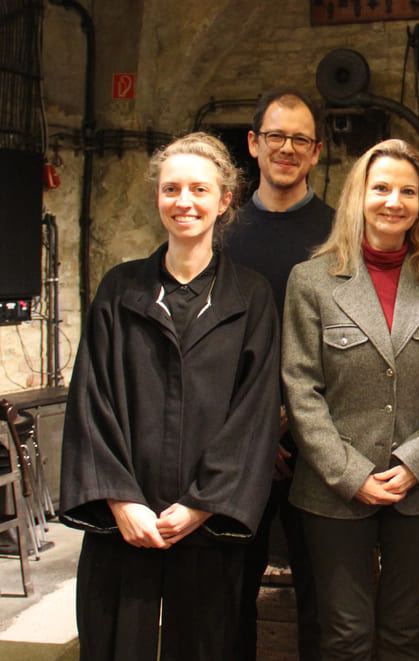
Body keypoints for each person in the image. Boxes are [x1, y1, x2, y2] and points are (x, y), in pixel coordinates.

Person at [59, 132, 281, 661]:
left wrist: (202, 504)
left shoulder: (249, 298)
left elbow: (253, 414)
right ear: (158, 196)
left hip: (204, 525)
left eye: (199, 190)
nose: (184, 202)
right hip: (125, 524)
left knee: (207, 642)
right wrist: (120, 499)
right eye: (171, 189)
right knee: (117, 641)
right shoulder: (120, 290)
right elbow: (92, 400)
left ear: (224, 200)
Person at [281, 137, 419, 660]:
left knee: (407, 631)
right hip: (333, 490)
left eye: (407, 191)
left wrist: (417, 462)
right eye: (381, 187)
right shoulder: (312, 281)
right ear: (358, 196)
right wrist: (350, 473)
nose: (394, 201)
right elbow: (301, 388)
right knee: (344, 634)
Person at [226, 88, 333, 661]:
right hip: (237, 445)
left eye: (300, 139)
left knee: (324, 602)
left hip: (320, 447)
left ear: (315, 152)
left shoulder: (343, 236)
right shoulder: (224, 234)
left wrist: (298, 425)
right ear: (253, 144)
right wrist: (259, 427)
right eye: (276, 136)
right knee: (231, 597)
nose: (286, 149)